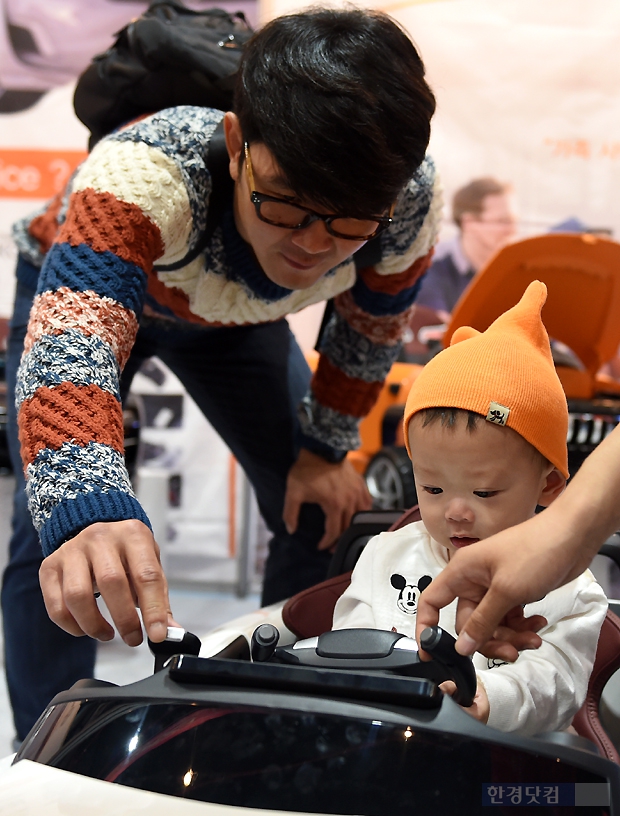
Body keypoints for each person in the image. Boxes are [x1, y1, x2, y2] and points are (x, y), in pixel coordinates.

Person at [5, 7, 441, 742]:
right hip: (95, 289)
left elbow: (370, 326)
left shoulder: (406, 199)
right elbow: (73, 340)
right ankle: (52, 744)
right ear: (238, 143)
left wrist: (325, 449)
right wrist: (83, 499)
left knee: (318, 504)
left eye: (347, 223)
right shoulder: (148, 164)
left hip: (233, 319)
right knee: (51, 531)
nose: (309, 246)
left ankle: (278, 711)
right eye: (286, 203)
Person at [333, 281, 607, 734]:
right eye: (433, 488)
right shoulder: (386, 554)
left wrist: (488, 700)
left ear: (550, 484)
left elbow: (554, 685)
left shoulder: (568, 588)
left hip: (501, 761)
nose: (456, 512)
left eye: (484, 493)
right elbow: (349, 638)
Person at [415, 177, 516, 320]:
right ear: (468, 222)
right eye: (503, 221)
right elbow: (438, 334)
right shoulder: (431, 268)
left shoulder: (517, 270)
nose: (512, 230)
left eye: (514, 221)